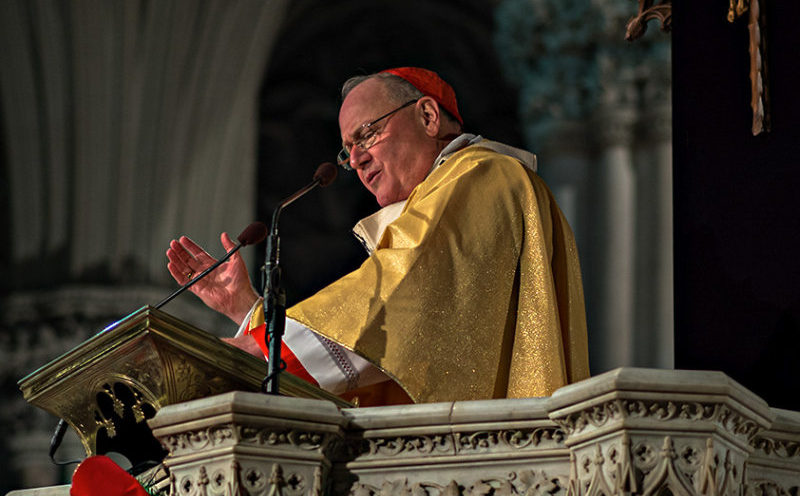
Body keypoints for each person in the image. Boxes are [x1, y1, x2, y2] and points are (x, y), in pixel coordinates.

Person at [166, 67, 589, 405]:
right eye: (347, 150)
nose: (357, 158)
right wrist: (247, 307)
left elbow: (402, 290)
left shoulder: (484, 174)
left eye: (367, 134)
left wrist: (259, 351)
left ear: (428, 116)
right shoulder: (445, 196)